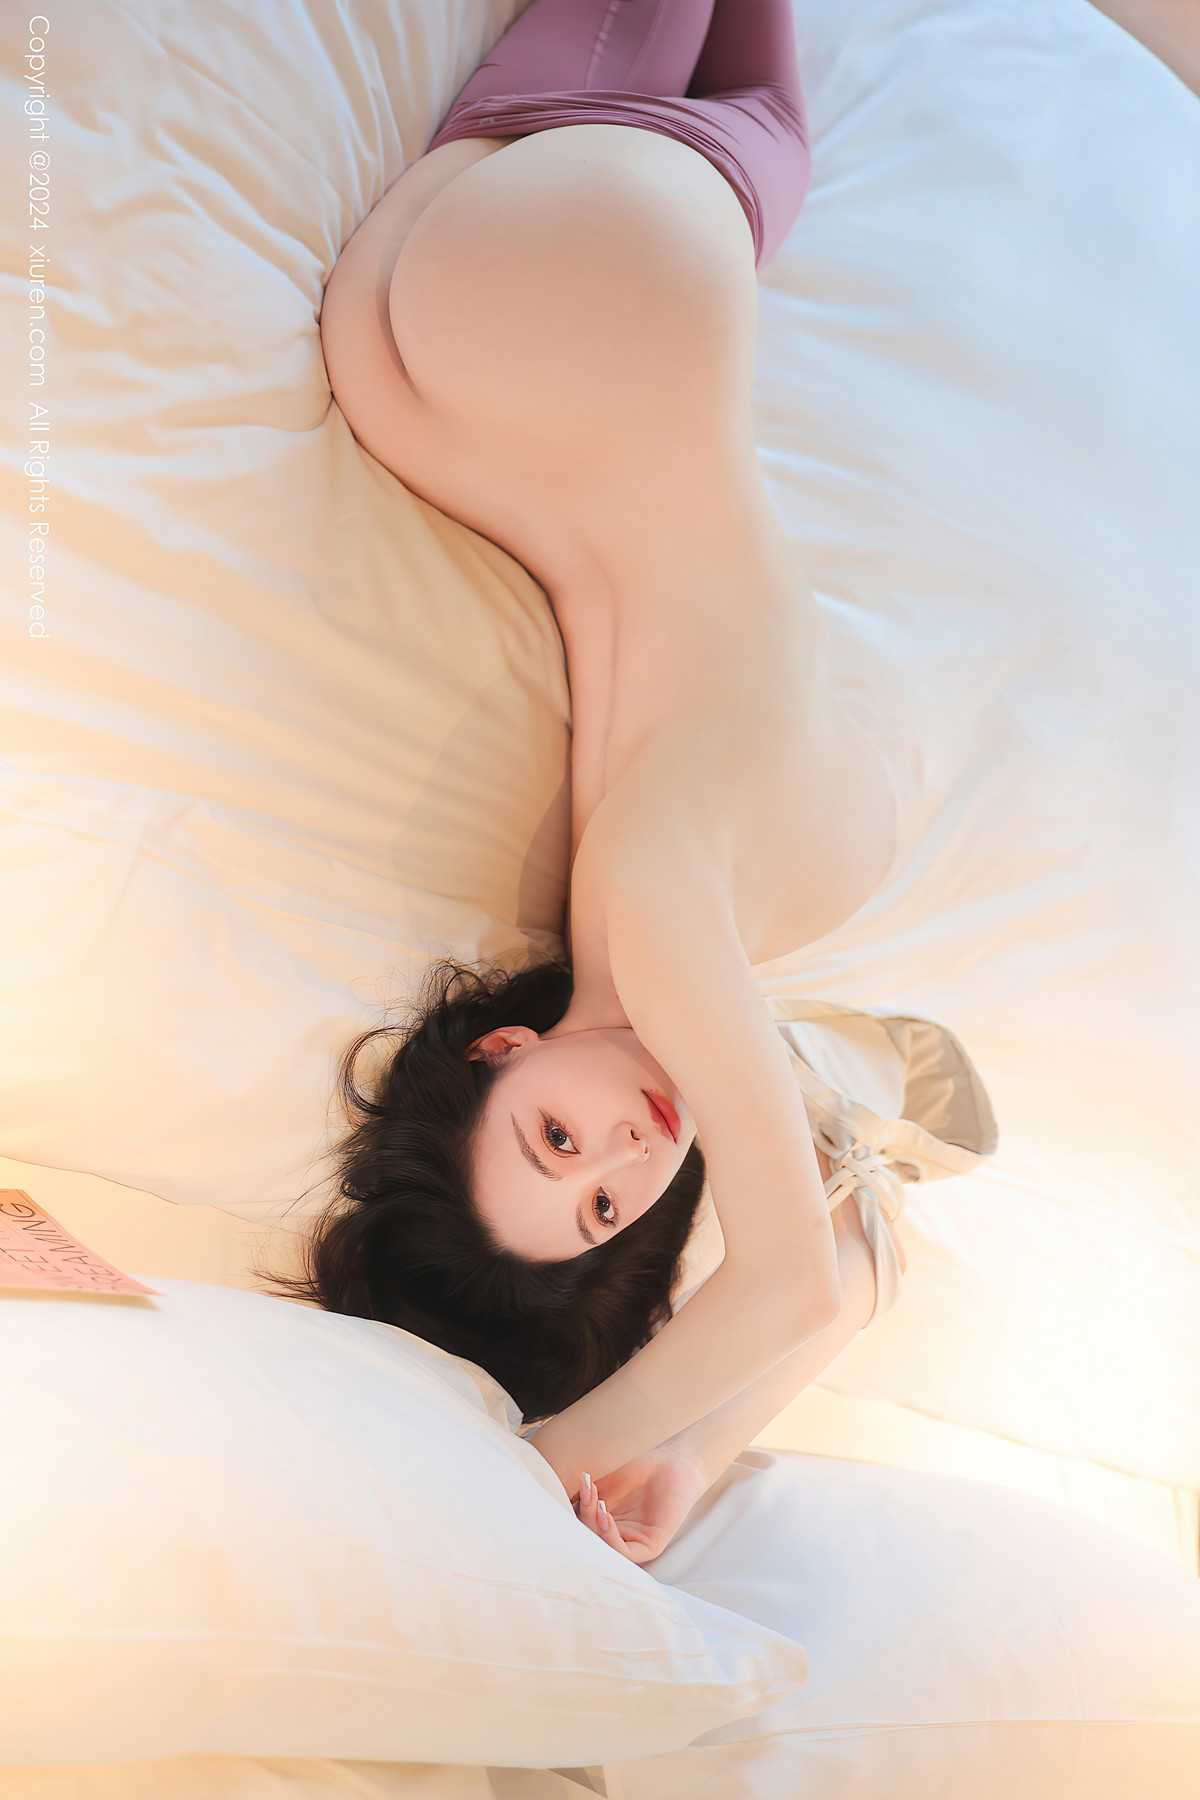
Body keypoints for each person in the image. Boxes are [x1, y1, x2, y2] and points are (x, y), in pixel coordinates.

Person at [257, 1, 935, 1528]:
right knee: (772, 100)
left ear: (506, 1049)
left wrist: (532, 1472)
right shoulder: (671, 957)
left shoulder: (655, 905)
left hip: (599, 288)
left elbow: (788, 1286)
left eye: (553, 1140)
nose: (622, 1151)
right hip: (534, 336)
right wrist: (684, 1468)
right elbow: (846, 1258)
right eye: (608, 1205)